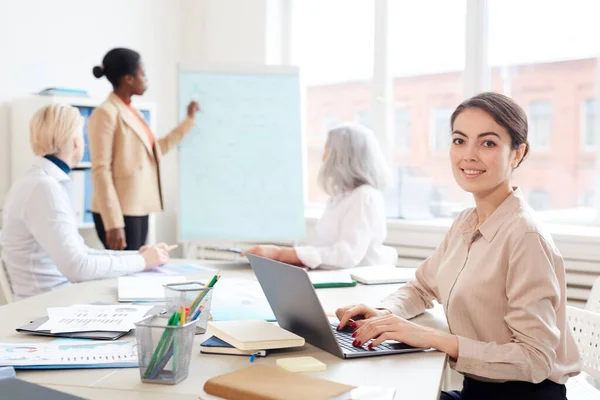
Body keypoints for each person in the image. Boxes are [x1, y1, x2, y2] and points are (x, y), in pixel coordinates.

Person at [336, 93, 581, 400]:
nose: (469, 155)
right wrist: (384, 313)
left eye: (488, 143)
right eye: (459, 140)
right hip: (475, 392)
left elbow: (535, 359)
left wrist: (431, 338)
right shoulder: (467, 222)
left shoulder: (525, 237)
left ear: (517, 154)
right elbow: (422, 288)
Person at [0, 104, 175, 300]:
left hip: (53, 297)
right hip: (47, 304)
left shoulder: (35, 181)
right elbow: (78, 268)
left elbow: (82, 253)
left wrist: (139, 257)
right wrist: (143, 261)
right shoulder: (44, 188)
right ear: (76, 142)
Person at [242, 123, 398, 269]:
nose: (323, 157)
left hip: (356, 285)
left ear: (342, 156)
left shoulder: (365, 197)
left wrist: (281, 254)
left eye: (327, 149)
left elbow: (346, 255)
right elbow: (324, 250)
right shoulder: (341, 196)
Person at [89, 47, 200, 251]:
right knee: (126, 273)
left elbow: (156, 150)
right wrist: (113, 223)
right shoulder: (105, 113)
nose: (146, 80)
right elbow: (100, 171)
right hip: (119, 213)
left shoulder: (131, 111)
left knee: (138, 270)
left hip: (137, 206)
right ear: (128, 79)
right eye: (143, 75)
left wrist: (188, 121)